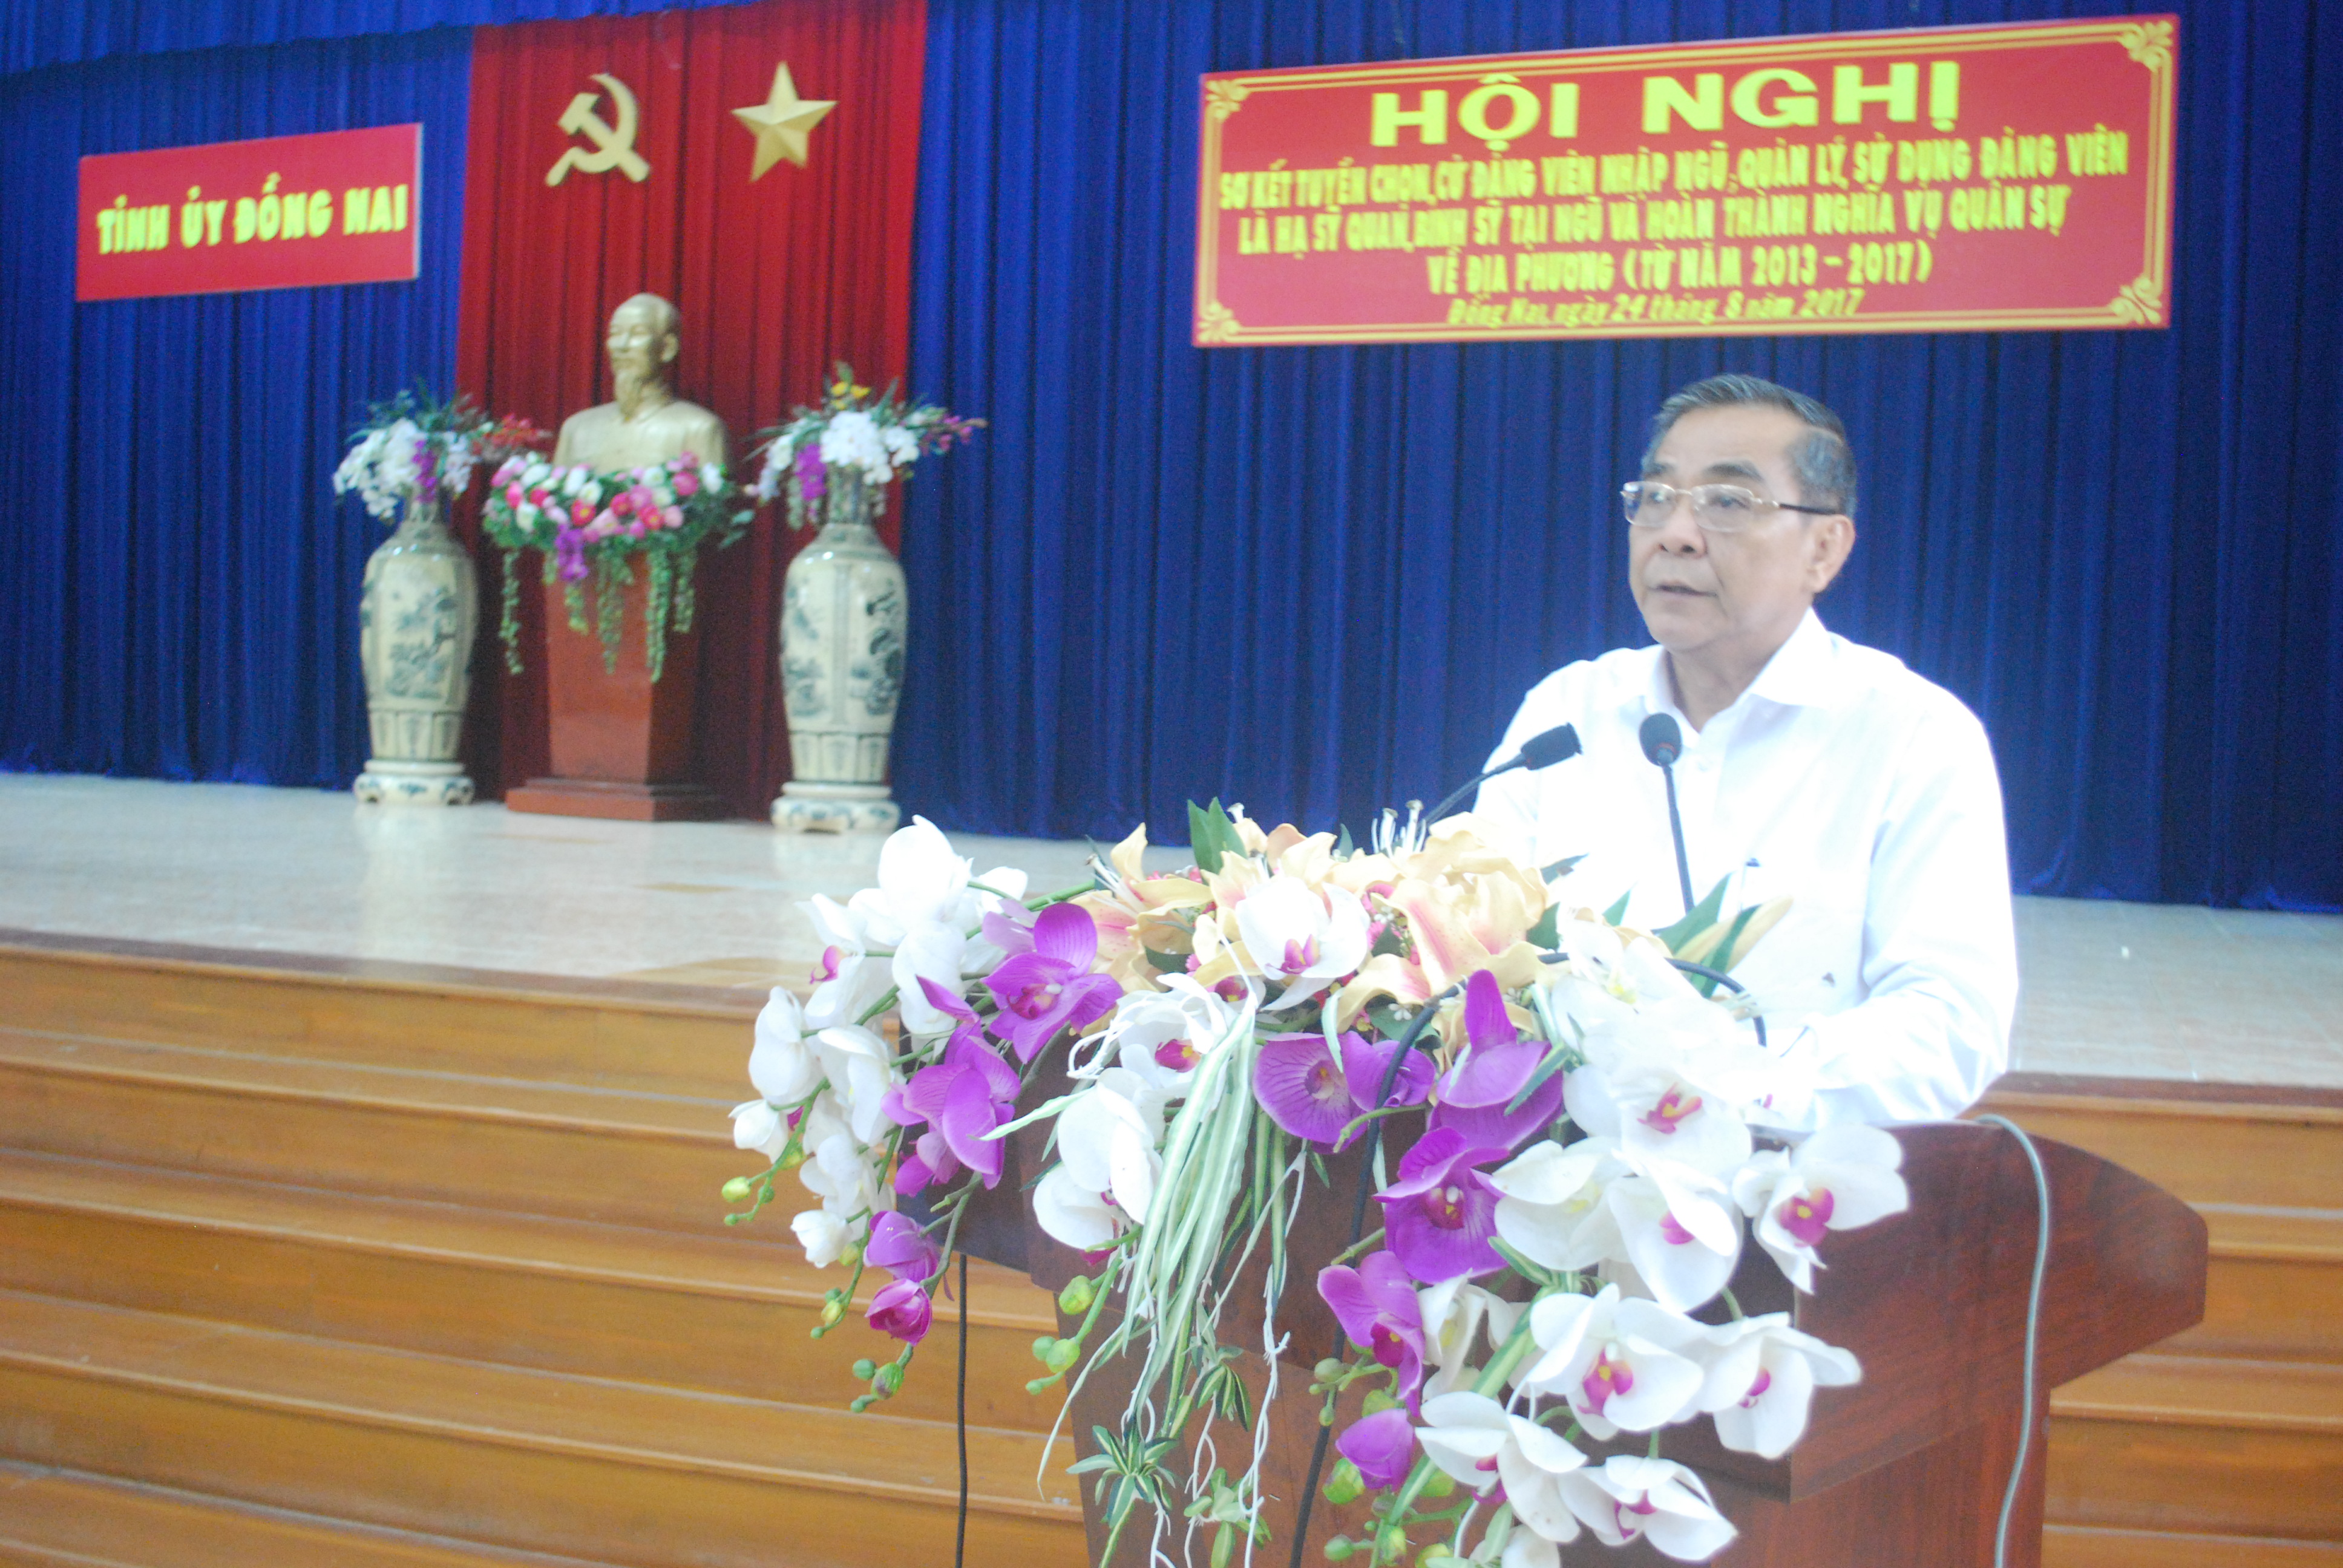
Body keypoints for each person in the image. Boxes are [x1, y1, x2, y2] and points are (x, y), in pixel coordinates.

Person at [1473, 374, 2017, 1129]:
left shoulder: (1912, 736)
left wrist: (1723, 1087)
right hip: (1551, 1159)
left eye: (1727, 503)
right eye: (1655, 497)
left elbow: (1951, 1025)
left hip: (1788, 1175)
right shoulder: (1568, 710)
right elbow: (1469, 936)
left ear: (1823, 549)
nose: (1675, 533)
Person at [553, 292, 729, 471]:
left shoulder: (700, 429)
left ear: (668, 348)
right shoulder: (577, 429)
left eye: (638, 333)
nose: (622, 346)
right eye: (615, 333)